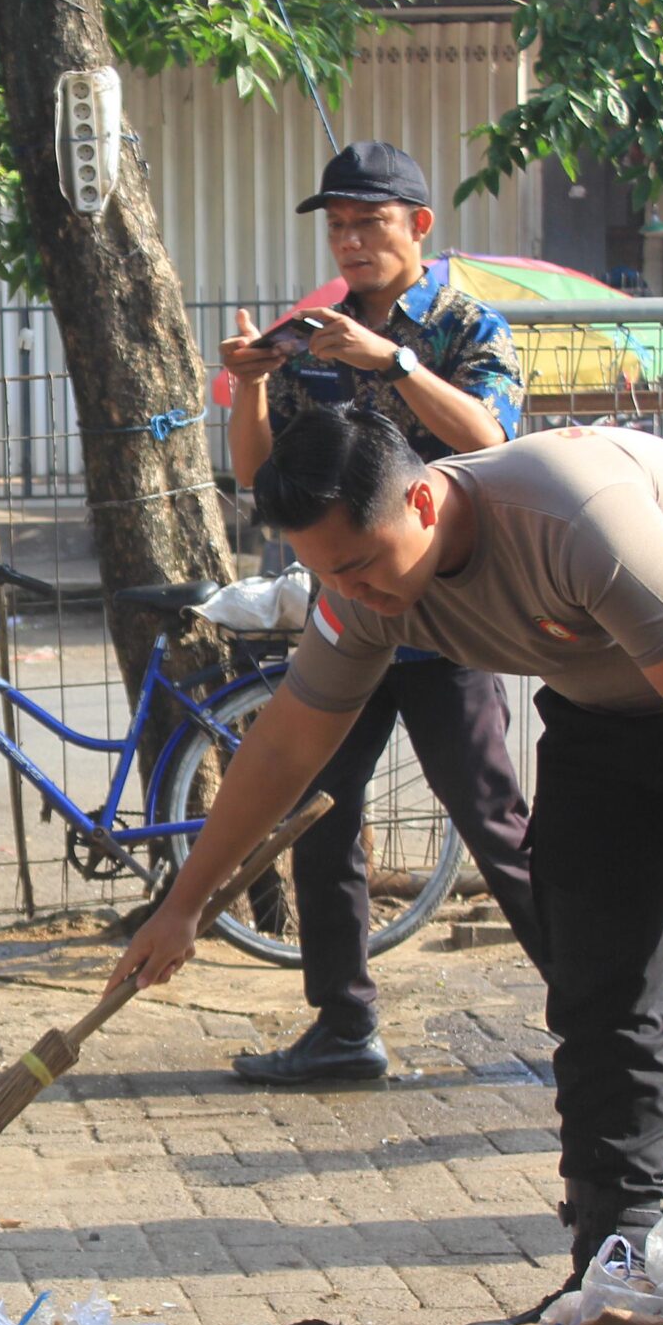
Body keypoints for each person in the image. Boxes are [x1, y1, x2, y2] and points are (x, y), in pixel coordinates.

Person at [115, 405, 663, 1325]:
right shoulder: (359, 589)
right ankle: (611, 1265)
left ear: (424, 496)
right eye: (328, 573)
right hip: (604, 709)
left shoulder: (574, 517)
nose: (356, 593)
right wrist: (183, 904)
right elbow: (287, 744)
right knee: (597, 994)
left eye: (368, 564)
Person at [218, 140, 541, 1084]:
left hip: (447, 617)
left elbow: (492, 439)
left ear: (419, 228)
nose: (352, 242)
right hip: (346, 619)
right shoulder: (312, 335)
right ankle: (344, 1025)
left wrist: (393, 359)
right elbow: (256, 474)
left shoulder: (467, 324)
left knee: (491, 818)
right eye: (339, 225)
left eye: (371, 222)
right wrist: (250, 383)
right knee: (320, 812)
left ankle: (594, 1006)